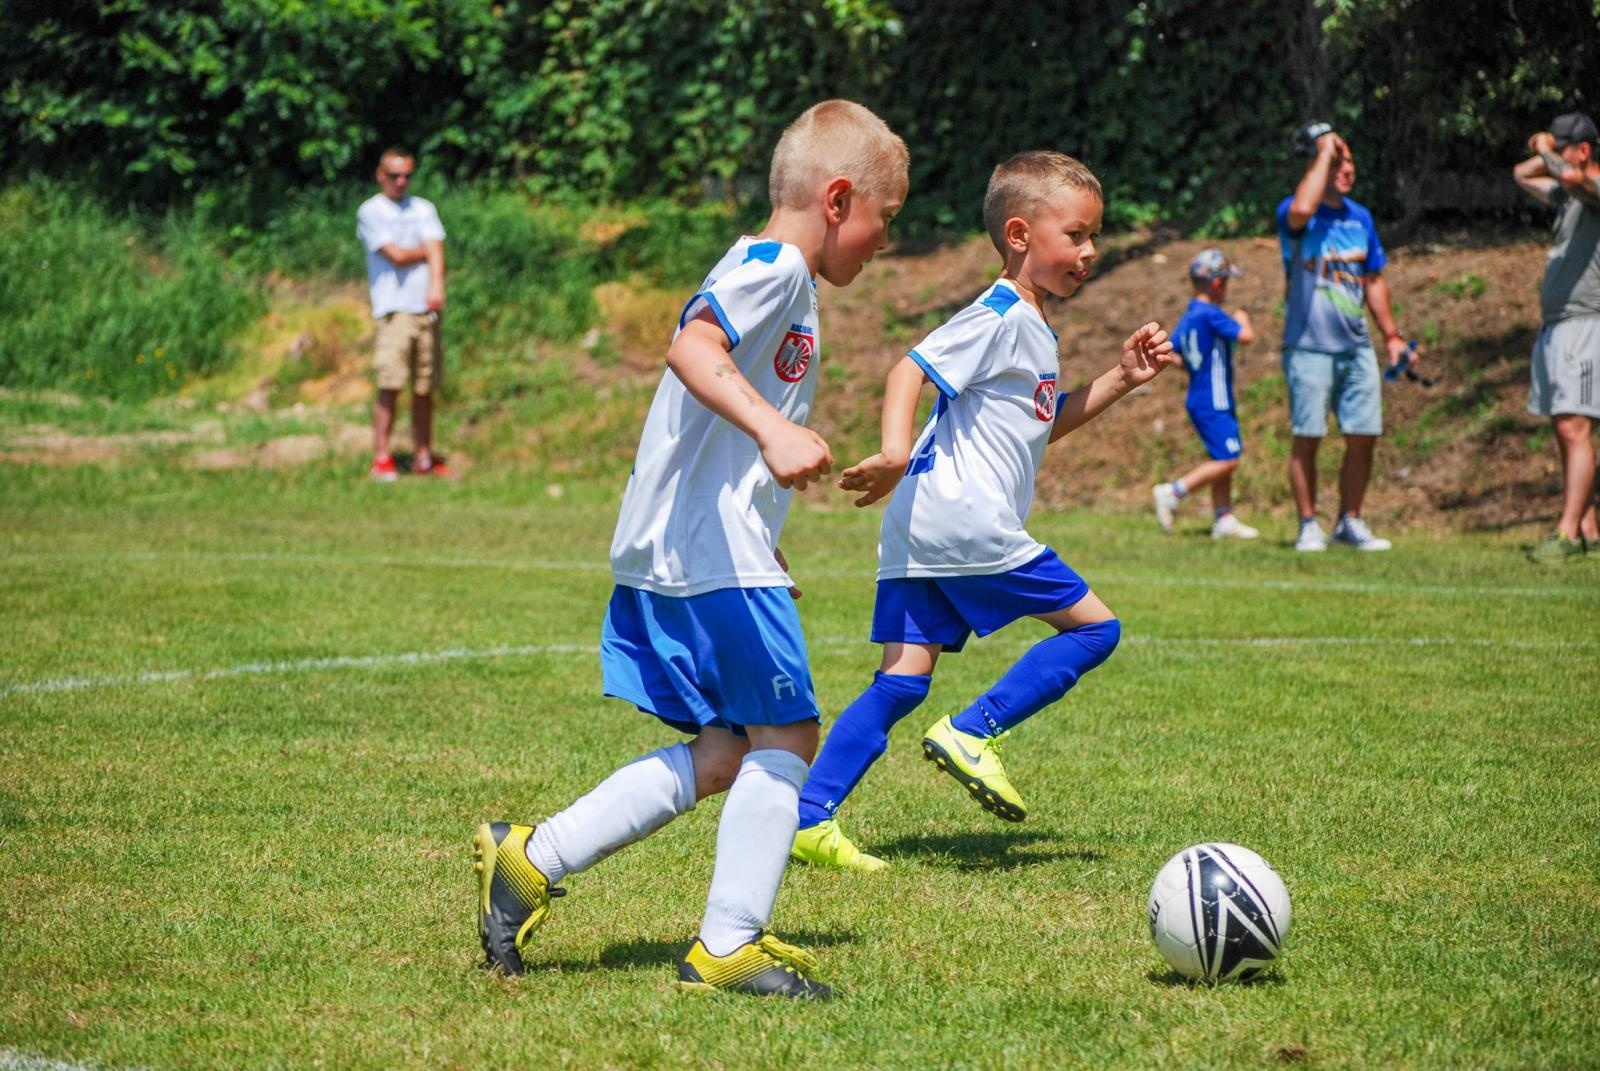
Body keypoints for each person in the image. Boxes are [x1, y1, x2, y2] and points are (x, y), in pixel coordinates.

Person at [472, 101, 909, 998]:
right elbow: (692, 347)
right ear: (837, 198)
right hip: (705, 551)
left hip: (704, 546)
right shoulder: (775, 264)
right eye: (883, 219)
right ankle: (726, 944)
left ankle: (530, 859)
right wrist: (772, 435)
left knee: (729, 751)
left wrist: (762, 526)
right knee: (788, 733)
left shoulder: (780, 274)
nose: (883, 241)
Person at [789, 150, 1175, 872]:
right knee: (1097, 628)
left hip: (921, 526)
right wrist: (895, 448)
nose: (1089, 251)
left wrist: (1123, 377)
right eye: (1077, 235)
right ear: (1022, 234)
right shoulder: (999, 314)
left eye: (1095, 237)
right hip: (966, 522)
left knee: (903, 677)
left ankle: (809, 818)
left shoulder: (1030, 326)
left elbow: (1040, 423)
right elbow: (910, 368)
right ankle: (975, 730)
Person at [1278, 129, 1413, 551]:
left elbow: (1373, 279)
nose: (1347, 169)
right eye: (1337, 162)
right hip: (1308, 345)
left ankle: (1349, 521)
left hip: (1356, 347)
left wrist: (1391, 335)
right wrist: (1324, 152)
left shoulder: (1361, 217)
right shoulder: (1298, 213)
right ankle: (1307, 524)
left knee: (1364, 434)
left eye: (1350, 162)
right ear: (1316, 166)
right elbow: (1302, 205)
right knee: (1308, 435)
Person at [1512, 111, 1600, 564]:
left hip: (1587, 323)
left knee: (1575, 425)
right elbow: (1521, 173)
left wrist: (1548, 150)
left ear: (1583, 150)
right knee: (1564, 427)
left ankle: (1567, 533)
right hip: (1558, 325)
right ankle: (1586, 526)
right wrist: (1543, 148)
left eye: (1563, 144)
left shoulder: (1593, 188)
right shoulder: (1568, 198)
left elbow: (1567, 173)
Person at [1152, 248, 1259, 539]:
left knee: (1223, 454)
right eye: (1226, 280)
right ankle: (1173, 492)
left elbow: (1170, 352)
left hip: (1202, 397)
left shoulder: (1191, 315)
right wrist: (1242, 317)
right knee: (1229, 459)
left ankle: (1223, 517)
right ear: (1217, 283)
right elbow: (1245, 337)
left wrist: (1192, 367)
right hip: (1214, 399)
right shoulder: (1211, 313)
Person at [356, 147, 449, 481]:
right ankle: (382, 458)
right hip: (393, 310)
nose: (401, 181)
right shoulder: (371, 211)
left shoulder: (424, 208)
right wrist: (427, 250)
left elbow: (437, 250)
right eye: (394, 175)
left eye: (407, 175)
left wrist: (436, 286)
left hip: (426, 308)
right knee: (390, 383)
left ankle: (423, 456)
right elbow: (395, 255)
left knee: (425, 386)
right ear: (381, 175)